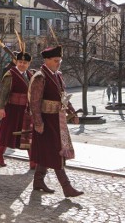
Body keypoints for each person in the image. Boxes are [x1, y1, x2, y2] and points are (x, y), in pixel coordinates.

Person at [29, 45, 83, 197]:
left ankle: (38, 181)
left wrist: (72, 111)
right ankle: (66, 187)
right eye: (55, 60)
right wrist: (38, 123)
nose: (58, 63)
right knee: (55, 153)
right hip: (46, 121)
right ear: (46, 60)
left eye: (60, 60)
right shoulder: (40, 77)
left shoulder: (57, 75)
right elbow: (34, 102)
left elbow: (64, 97)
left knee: (48, 152)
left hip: (57, 120)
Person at [0, 50, 34, 168]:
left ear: (28, 64)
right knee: (7, 133)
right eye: (20, 62)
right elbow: (3, 93)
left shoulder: (30, 75)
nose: (22, 64)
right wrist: (1, 108)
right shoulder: (10, 74)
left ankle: (32, 160)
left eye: (25, 62)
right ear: (16, 62)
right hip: (12, 108)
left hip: (26, 110)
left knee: (27, 134)